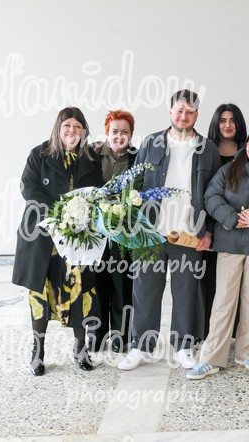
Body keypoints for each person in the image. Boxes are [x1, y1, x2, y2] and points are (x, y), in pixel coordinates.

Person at [118, 90, 221, 371]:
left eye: (189, 111)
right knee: (144, 290)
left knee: (186, 292)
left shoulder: (207, 149)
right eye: (179, 110)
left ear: (197, 115)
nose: (183, 116)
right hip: (150, 232)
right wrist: (133, 223)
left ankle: (183, 347)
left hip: (188, 233)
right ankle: (141, 347)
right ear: (170, 111)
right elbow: (135, 185)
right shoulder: (151, 143)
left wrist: (209, 231)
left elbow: (214, 192)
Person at [12, 107, 104, 376]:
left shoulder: (91, 159)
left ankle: (81, 349)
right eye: (67, 126)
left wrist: (82, 215)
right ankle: (38, 351)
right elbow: (29, 187)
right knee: (40, 295)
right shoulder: (39, 154)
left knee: (80, 293)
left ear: (83, 131)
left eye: (77, 126)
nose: (72, 131)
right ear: (58, 128)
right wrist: (59, 212)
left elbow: (98, 193)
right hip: (43, 238)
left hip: (78, 239)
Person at [187, 129, 249, 379]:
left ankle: (248, 353)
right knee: (223, 302)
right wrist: (231, 218)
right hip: (229, 244)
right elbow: (210, 196)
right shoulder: (229, 169)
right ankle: (211, 359)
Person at [88, 110, 137, 353]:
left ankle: (121, 336)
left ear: (131, 134)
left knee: (122, 284)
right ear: (107, 132)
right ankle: (96, 334)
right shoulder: (92, 154)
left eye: (125, 132)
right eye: (115, 131)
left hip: (123, 231)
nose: (119, 136)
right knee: (96, 284)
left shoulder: (137, 158)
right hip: (95, 231)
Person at [201, 103, 248, 338]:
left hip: (240, 227)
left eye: (232, 120)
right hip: (209, 224)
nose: (228, 125)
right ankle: (210, 333)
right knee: (210, 282)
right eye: (222, 120)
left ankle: (238, 332)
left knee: (240, 284)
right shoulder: (205, 151)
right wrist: (207, 227)